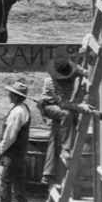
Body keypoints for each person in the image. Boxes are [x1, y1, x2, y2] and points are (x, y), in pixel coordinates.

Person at [39, 54, 95, 188]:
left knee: (55, 136)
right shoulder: (52, 81)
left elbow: (87, 73)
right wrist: (80, 107)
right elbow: (62, 103)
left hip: (63, 105)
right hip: (50, 106)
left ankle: (49, 174)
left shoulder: (73, 70)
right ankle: (66, 148)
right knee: (66, 114)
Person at [0, 80, 32, 202]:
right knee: (19, 179)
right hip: (21, 151)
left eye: (11, 94)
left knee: (5, 180)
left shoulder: (17, 112)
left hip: (13, 151)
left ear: (17, 96)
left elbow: (10, 135)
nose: (9, 95)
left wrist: (2, 148)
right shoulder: (24, 108)